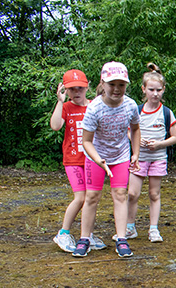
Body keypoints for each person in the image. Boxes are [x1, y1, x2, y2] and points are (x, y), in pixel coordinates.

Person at [73, 61, 141, 258]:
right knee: (92, 197)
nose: (117, 89)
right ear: (103, 83)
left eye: (121, 84)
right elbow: (86, 141)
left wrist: (135, 153)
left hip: (120, 156)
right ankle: (85, 238)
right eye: (112, 84)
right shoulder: (94, 108)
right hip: (95, 156)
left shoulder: (130, 106)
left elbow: (135, 129)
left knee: (120, 194)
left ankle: (121, 238)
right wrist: (99, 161)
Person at [118, 63, 176, 243]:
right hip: (139, 158)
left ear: (163, 90)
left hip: (158, 158)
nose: (155, 93)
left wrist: (160, 144)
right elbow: (128, 131)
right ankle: (130, 227)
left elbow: (175, 138)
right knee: (132, 194)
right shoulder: (136, 111)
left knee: (154, 194)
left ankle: (153, 229)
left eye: (158, 90)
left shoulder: (167, 113)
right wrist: (136, 140)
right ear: (143, 89)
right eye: (151, 89)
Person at [48, 69, 106, 253]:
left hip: (92, 160)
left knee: (92, 198)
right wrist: (60, 102)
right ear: (66, 90)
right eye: (72, 89)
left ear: (87, 86)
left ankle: (86, 235)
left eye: (80, 88)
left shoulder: (94, 105)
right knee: (80, 197)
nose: (77, 93)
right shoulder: (66, 108)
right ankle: (64, 233)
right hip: (73, 160)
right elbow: (56, 126)